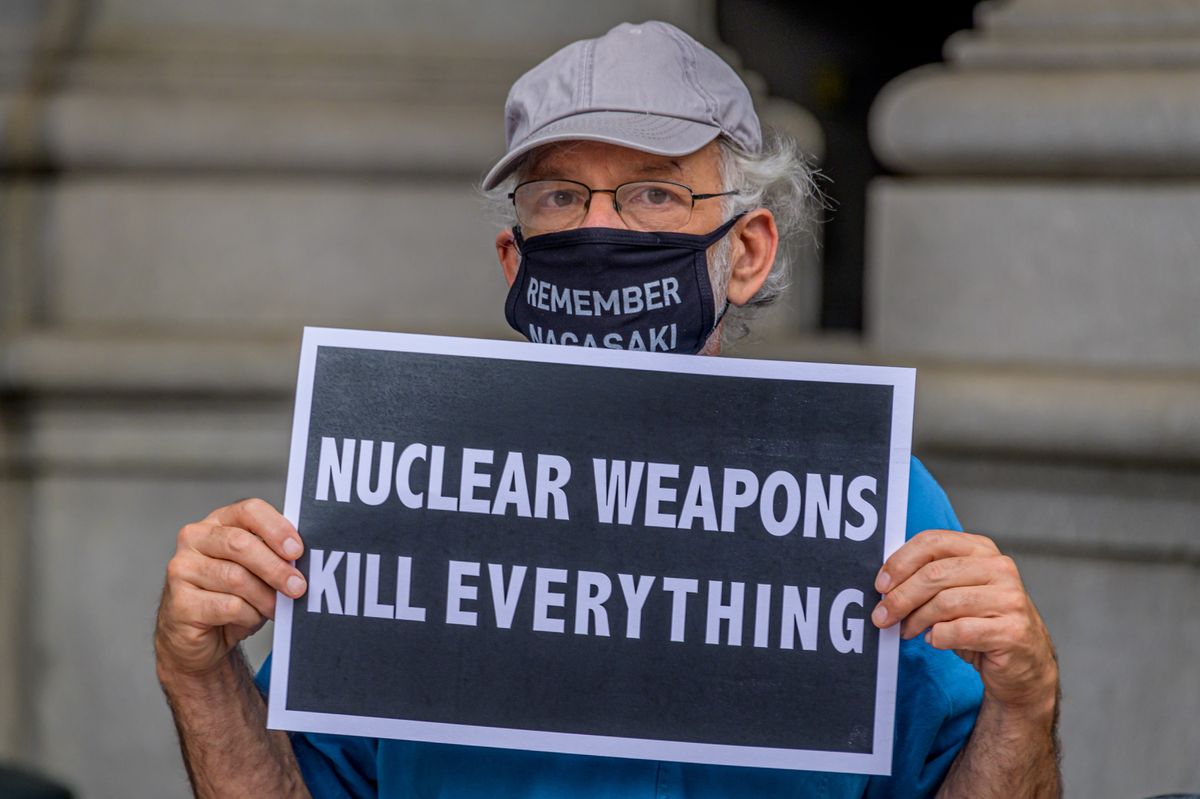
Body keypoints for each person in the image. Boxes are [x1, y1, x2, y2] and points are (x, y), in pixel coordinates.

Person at [154, 21, 1061, 798]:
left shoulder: (876, 506)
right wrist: (200, 674)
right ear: (516, 260)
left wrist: (1023, 700)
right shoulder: (404, 492)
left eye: (655, 191)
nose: (602, 228)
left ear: (746, 251)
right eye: (559, 195)